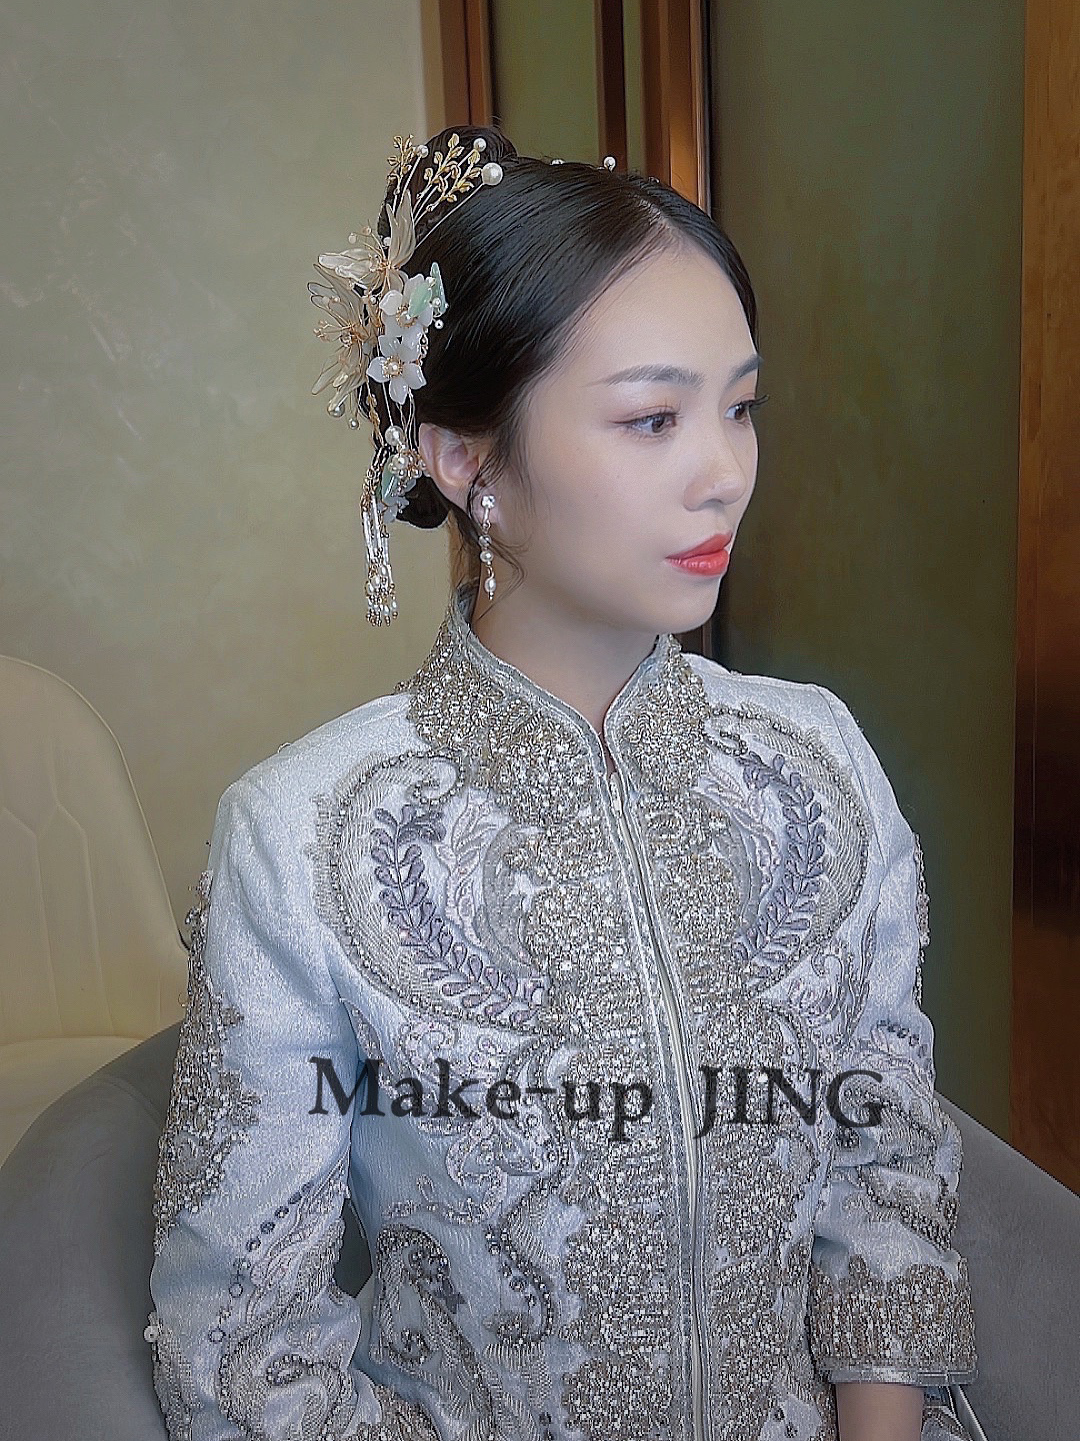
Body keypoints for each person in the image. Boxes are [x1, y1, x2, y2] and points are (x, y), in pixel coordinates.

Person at [145, 124, 983, 1441]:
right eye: (652, 418)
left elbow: (886, 1170)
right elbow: (243, 1350)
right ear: (464, 458)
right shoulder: (304, 835)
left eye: (741, 405)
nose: (726, 472)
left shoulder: (815, 760)